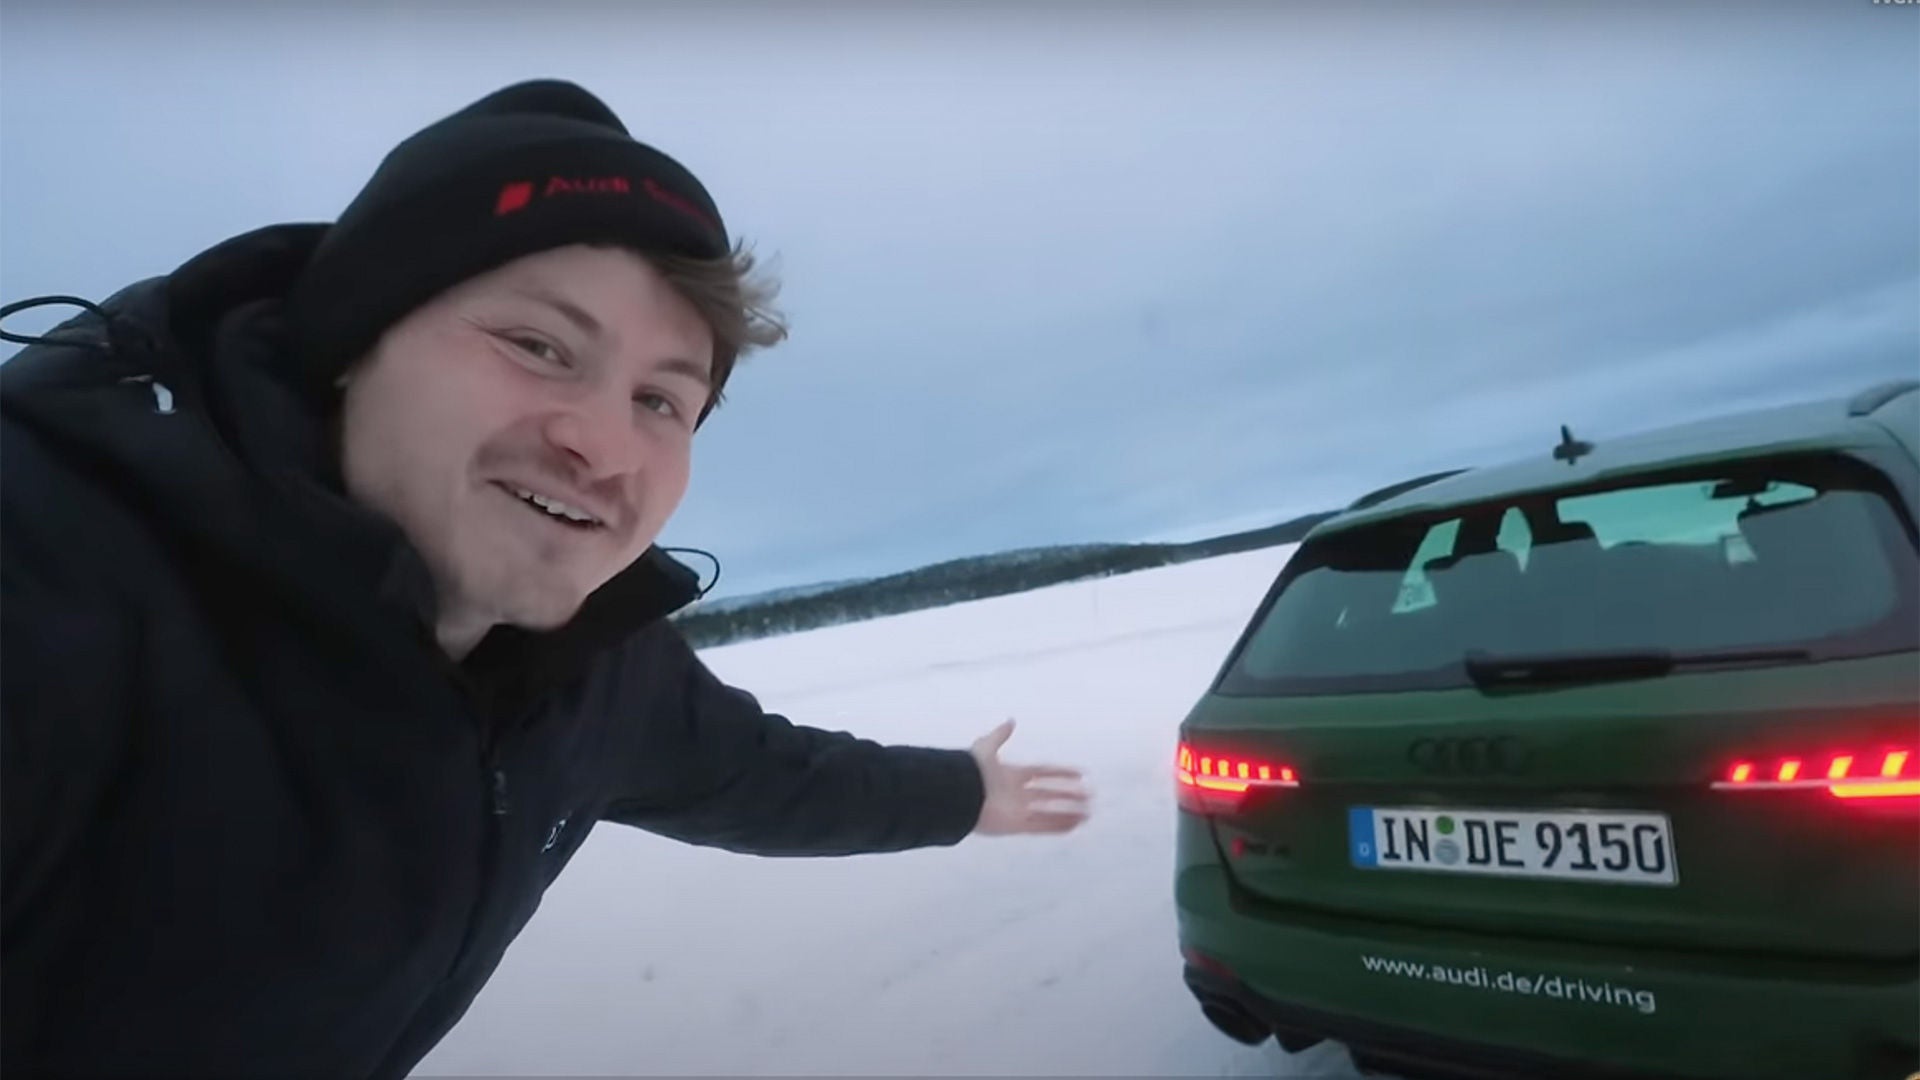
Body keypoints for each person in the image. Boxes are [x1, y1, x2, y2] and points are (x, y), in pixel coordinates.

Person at [0, 78, 1090, 1079]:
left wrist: (961, 792)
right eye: (538, 344)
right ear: (351, 338)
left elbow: (768, 774)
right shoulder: (63, 576)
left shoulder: (595, 676)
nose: (605, 448)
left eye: (662, 401)